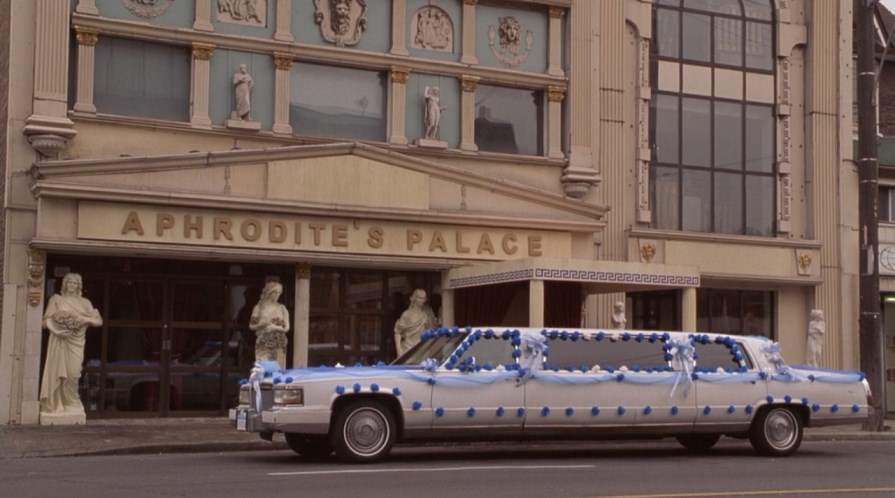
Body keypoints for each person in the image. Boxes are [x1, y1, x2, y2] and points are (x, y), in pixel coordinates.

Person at [40, 273, 103, 415]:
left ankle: (72, 402)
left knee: (73, 373)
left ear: (79, 286)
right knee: (59, 372)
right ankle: (58, 403)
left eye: (75, 283)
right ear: (65, 284)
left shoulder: (85, 303)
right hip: (60, 341)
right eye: (69, 282)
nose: (72, 285)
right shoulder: (56, 300)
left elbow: (98, 321)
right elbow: (44, 323)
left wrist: (83, 319)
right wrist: (57, 327)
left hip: (77, 342)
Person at [250, 281, 290, 366]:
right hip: (263, 343)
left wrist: (275, 328)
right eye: (275, 292)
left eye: (279, 292)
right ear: (269, 292)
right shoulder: (259, 307)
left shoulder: (282, 308)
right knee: (264, 368)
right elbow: (251, 326)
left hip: (279, 343)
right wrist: (262, 324)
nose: (277, 295)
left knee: (278, 369)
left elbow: (287, 328)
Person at [394, 289, 437, 357]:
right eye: (420, 298)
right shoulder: (406, 314)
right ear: (414, 298)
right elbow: (398, 332)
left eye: (424, 298)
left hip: (422, 348)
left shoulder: (426, 314)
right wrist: (399, 350)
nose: (422, 300)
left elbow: (431, 331)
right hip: (408, 348)